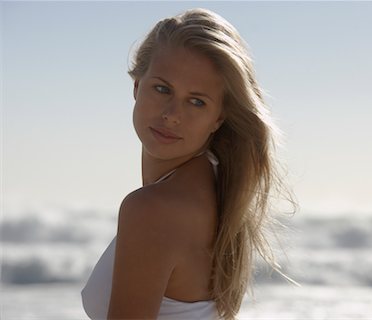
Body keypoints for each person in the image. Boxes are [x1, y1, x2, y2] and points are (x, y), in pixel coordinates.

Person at [81, 8, 296, 320]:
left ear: (218, 117)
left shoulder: (154, 209)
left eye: (196, 101)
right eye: (162, 88)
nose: (172, 114)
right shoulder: (215, 187)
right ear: (137, 86)